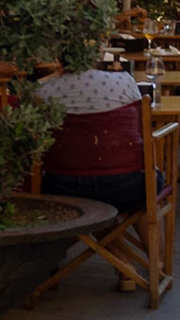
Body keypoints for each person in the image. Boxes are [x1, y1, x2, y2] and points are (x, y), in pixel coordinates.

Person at [37, 62, 146, 214]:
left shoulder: (43, 90)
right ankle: (121, 237)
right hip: (125, 187)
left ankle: (108, 236)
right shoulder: (125, 81)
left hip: (61, 188)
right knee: (147, 190)